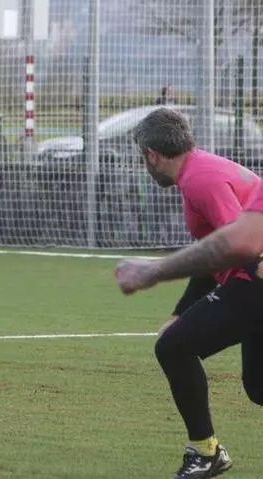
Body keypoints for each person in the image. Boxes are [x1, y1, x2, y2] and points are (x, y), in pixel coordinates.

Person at [116, 107, 263, 477]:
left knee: (174, 347)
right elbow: (215, 254)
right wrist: (181, 312)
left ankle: (206, 452)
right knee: (260, 386)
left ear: (151, 154)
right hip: (249, 278)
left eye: (142, 159)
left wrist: (153, 272)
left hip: (254, 280)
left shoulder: (201, 181)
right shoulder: (199, 170)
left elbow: (237, 247)